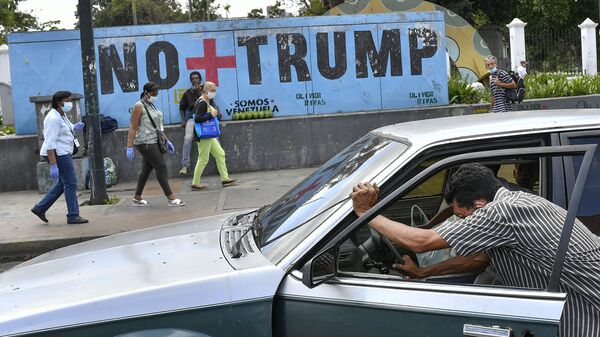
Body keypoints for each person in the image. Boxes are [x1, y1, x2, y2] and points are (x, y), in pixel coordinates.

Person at [351, 163, 600, 336]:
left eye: (462, 216)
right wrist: (424, 273)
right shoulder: (514, 203)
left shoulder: (502, 212)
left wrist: (365, 213)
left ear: (479, 206)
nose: (462, 222)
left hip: (586, 318)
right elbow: (478, 260)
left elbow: (421, 242)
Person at [31, 91, 88, 224]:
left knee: (64, 184)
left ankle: (40, 208)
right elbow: (50, 142)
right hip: (58, 154)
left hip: (63, 152)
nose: (70, 103)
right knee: (71, 183)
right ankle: (73, 215)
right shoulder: (52, 118)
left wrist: (74, 126)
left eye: (70, 100)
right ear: (58, 102)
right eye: (67, 100)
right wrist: (53, 164)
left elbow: (64, 130)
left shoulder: (62, 115)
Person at [126, 82, 185, 207]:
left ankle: (137, 198)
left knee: (146, 170)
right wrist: (129, 146)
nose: (156, 95)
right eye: (153, 93)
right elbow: (132, 127)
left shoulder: (151, 106)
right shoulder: (139, 106)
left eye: (157, 93)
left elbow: (158, 128)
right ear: (146, 92)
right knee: (161, 166)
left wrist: (167, 140)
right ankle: (171, 198)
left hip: (154, 140)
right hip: (144, 142)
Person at [190, 81, 237, 190]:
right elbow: (197, 118)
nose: (214, 92)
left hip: (209, 135)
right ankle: (195, 182)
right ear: (206, 91)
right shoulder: (202, 102)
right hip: (203, 135)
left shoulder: (206, 101)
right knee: (203, 159)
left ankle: (225, 179)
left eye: (215, 90)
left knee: (220, 153)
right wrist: (211, 115)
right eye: (212, 91)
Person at [178, 71, 202, 175]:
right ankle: (185, 165)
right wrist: (184, 120)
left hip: (205, 118)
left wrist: (198, 92)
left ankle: (221, 163)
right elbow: (181, 108)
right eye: (192, 79)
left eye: (196, 78)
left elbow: (210, 103)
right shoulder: (187, 93)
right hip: (192, 118)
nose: (194, 80)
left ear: (200, 79)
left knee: (214, 138)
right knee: (187, 139)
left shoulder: (205, 90)